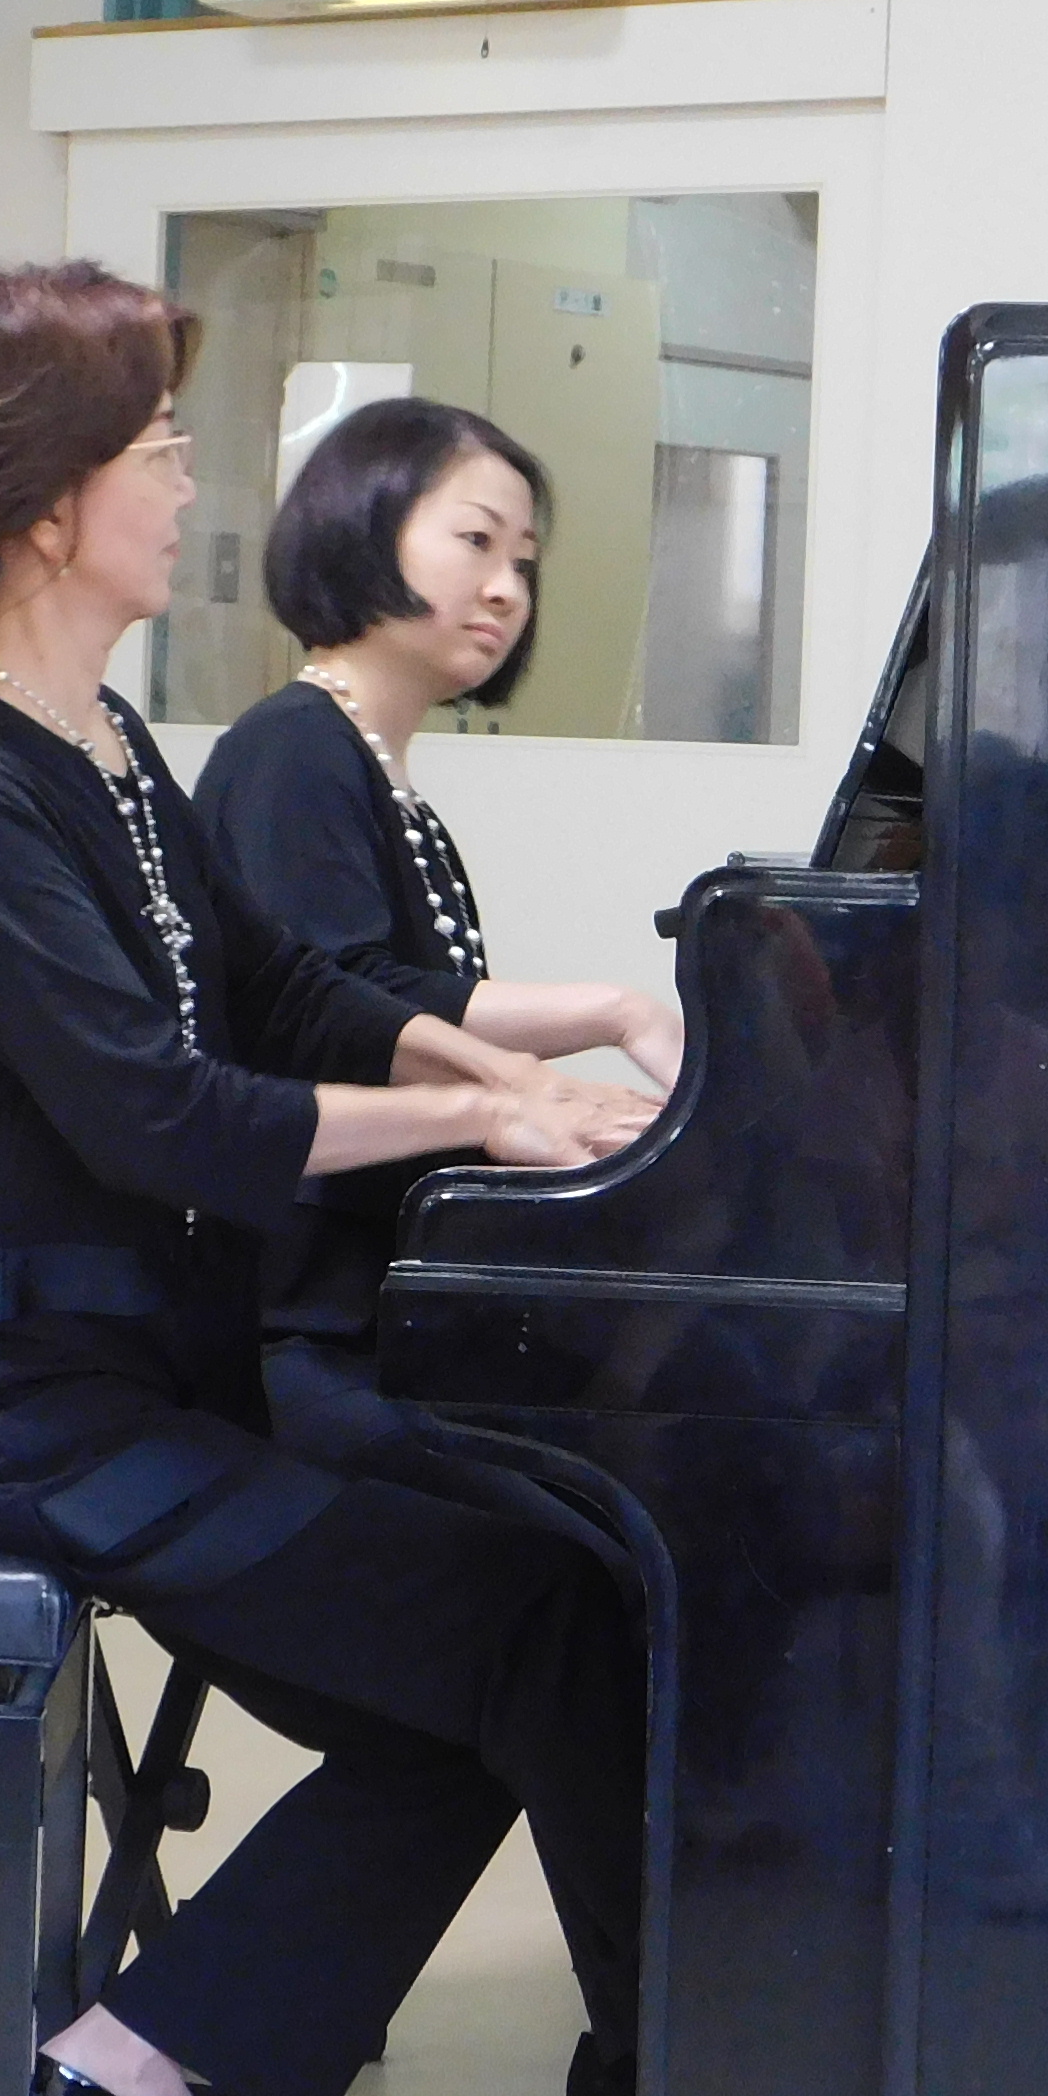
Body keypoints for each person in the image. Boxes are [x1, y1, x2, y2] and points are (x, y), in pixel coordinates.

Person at [0, 261, 658, 2096]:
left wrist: (520, 1072)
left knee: (525, 1641)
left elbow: (284, 991)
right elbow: (163, 1113)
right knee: (535, 1630)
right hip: (17, 1422)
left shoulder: (103, 738)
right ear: (45, 503)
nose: (192, 490)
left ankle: (144, 2058)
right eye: (162, 451)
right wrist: (486, 1116)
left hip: (143, 1392)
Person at [193, 398, 686, 1473]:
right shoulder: (291, 753)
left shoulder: (380, 776)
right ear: (360, 526)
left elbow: (400, 1003)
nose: (506, 587)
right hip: (308, 1316)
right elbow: (342, 1001)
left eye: (524, 562)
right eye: (476, 540)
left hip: (375, 1288)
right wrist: (615, 1014)